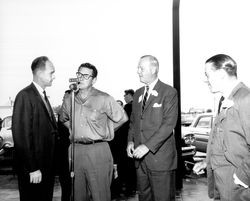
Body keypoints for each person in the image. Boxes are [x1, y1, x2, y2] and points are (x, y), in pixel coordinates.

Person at [59, 62, 128, 201]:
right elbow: (63, 118)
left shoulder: (104, 98)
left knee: (100, 195)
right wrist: (74, 129)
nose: (81, 78)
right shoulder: (69, 98)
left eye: (86, 75)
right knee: (77, 196)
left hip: (98, 150)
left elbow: (123, 118)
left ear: (94, 80)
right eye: (79, 74)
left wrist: (105, 130)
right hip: (75, 151)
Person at [193, 54, 250, 201]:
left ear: (221, 74)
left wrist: (243, 177)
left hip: (237, 185)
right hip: (222, 183)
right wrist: (208, 162)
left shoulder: (245, 98)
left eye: (208, 75)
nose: (206, 80)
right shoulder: (225, 99)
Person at [127, 55, 178, 201]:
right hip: (140, 161)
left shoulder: (169, 92)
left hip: (160, 160)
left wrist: (147, 146)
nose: (138, 71)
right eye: (138, 68)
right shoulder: (137, 94)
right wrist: (130, 142)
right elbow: (133, 123)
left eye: (141, 68)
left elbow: (168, 125)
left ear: (154, 69)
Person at [12, 56, 57, 201]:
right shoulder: (25, 96)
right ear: (39, 73)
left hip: (45, 167)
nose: (54, 76)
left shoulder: (41, 95)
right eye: (51, 72)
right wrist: (32, 168)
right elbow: (21, 136)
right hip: (34, 170)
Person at [55, 90, 71, 201]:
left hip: (74, 151)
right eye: (63, 98)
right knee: (65, 182)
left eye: (67, 98)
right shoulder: (61, 113)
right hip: (63, 152)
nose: (64, 100)